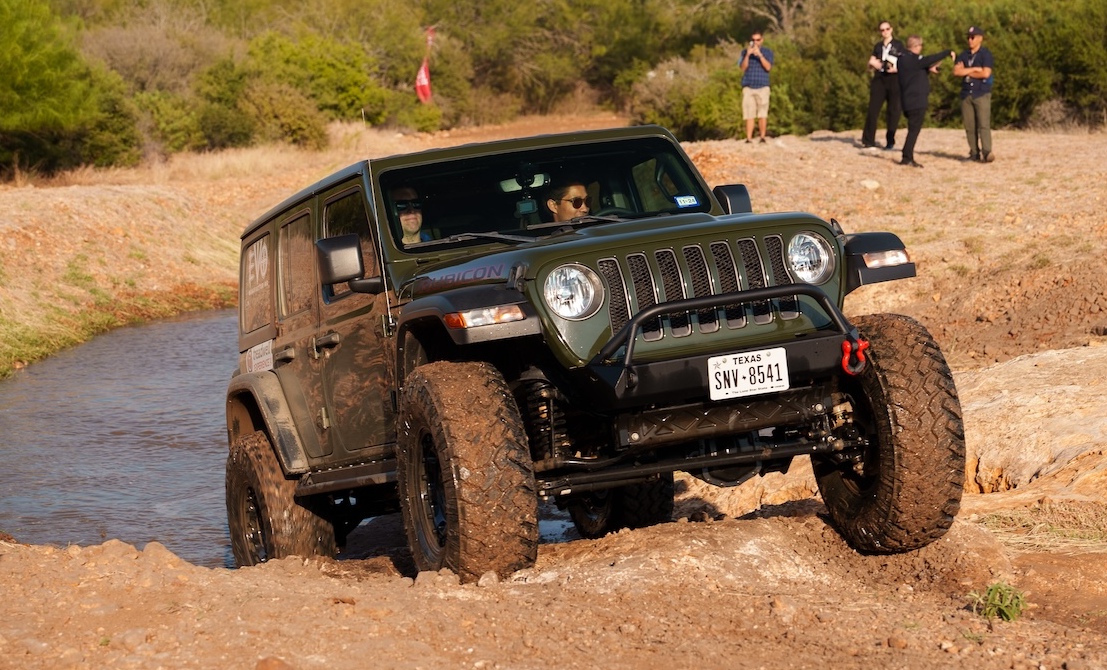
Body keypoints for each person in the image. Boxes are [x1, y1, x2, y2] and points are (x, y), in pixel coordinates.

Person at [897, 36, 955, 168]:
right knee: (914, 130)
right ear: (917, 46)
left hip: (906, 100)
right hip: (917, 100)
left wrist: (927, 70)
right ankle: (907, 157)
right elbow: (930, 59)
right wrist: (947, 52)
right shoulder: (914, 59)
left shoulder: (902, 59)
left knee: (912, 129)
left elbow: (914, 72)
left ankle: (907, 155)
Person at [861, 21, 906, 151]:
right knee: (873, 109)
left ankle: (890, 141)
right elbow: (870, 64)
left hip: (894, 79)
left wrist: (896, 68)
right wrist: (872, 64)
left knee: (893, 111)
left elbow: (904, 62)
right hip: (879, 79)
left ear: (891, 30)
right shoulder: (878, 46)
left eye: (887, 29)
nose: (885, 32)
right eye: (882, 30)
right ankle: (868, 140)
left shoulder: (899, 45)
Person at [953, 26, 995, 162]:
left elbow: (986, 73)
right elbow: (956, 72)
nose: (970, 40)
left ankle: (987, 152)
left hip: (981, 92)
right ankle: (974, 152)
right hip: (966, 93)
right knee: (970, 126)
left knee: (983, 123)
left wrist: (966, 70)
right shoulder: (963, 55)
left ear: (980, 38)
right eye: (968, 37)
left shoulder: (985, 54)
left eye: (973, 37)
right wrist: (975, 69)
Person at [738, 32, 774, 144]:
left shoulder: (767, 52)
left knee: (762, 113)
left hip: (762, 86)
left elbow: (768, 67)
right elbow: (743, 68)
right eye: (753, 40)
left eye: (758, 40)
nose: (755, 42)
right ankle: (749, 138)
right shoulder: (744, 52)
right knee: (749, 113)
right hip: (748, 86)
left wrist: (760, 55)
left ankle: (762, 137)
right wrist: (748, 55)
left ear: (762, 40)